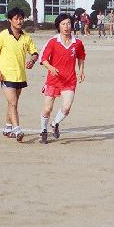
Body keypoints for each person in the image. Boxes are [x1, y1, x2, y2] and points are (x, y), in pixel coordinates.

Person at [0, 7, 39, 142]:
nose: (19, 21)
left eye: (21, 18)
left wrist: (32, 61)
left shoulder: (26, 37)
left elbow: (34, 53)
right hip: (6, 75)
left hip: (20, 75)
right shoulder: (2, 36)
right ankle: (17, 130)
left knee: (12, 104)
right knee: (13, 102)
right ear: (10, 20)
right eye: (16, 18)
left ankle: (7, 127)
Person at [38, 13, 86, 144]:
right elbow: (43, 59)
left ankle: (55, 123)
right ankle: (43, 130)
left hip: (69, 80)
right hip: (53, 81)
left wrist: (81, 70)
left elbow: (81, 57)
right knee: (47, 109)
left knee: (66, 108)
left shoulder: (77, 43)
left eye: (69, 23)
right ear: (58, 26)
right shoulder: (53, 41)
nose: (66, 26)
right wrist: (51, 68)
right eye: (63, 24)